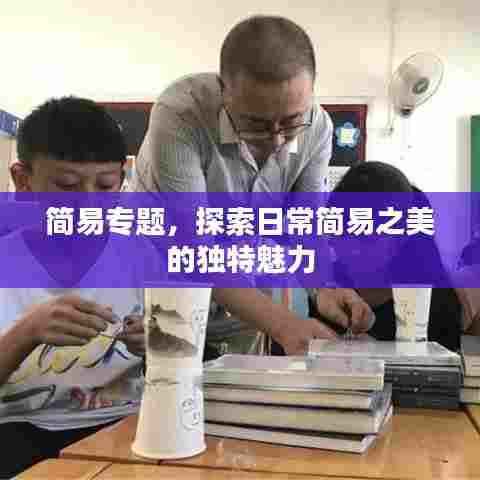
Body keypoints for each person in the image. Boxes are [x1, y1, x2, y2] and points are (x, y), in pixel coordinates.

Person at [131, 15, 373, 355]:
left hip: (245, 300)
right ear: (224, 92)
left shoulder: (318, 127)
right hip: (164, 292)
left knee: (244, 383)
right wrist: (284, 323)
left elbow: (305, 227)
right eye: (255, 124)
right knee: (170, 378)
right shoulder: (180, 115)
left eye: (291, 122)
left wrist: (324, 287)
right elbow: (195, 252)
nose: (276, 140)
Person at [0, 97, 147, 478]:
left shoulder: (141, 255)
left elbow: (183, 358)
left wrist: (159, 343)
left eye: (106, 185)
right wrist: (25, 333)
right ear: (23, 180)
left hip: (125, 427)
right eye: (67, 186)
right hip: (17, 433)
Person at [317, 161, 463, 351]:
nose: (352, 248)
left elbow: (444, 364)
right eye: (342, 233)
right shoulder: (324, 288)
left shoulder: (431, 300)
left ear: (401, 238)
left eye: (366, 238)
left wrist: (379, 354)